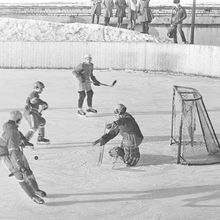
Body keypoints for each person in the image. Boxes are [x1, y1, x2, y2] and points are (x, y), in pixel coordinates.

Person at [0, 110, 46, 204]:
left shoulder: (11, 127)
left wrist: (25, 141)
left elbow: (18, 133)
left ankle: (36, 189)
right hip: (7, 156)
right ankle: (32, 196)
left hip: (16, 151)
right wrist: (20, 166)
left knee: (28, 171)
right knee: (20, 175)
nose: (21, 122)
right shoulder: (11, 132)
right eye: (20, 120)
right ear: (17, 120)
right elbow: (13, 152)